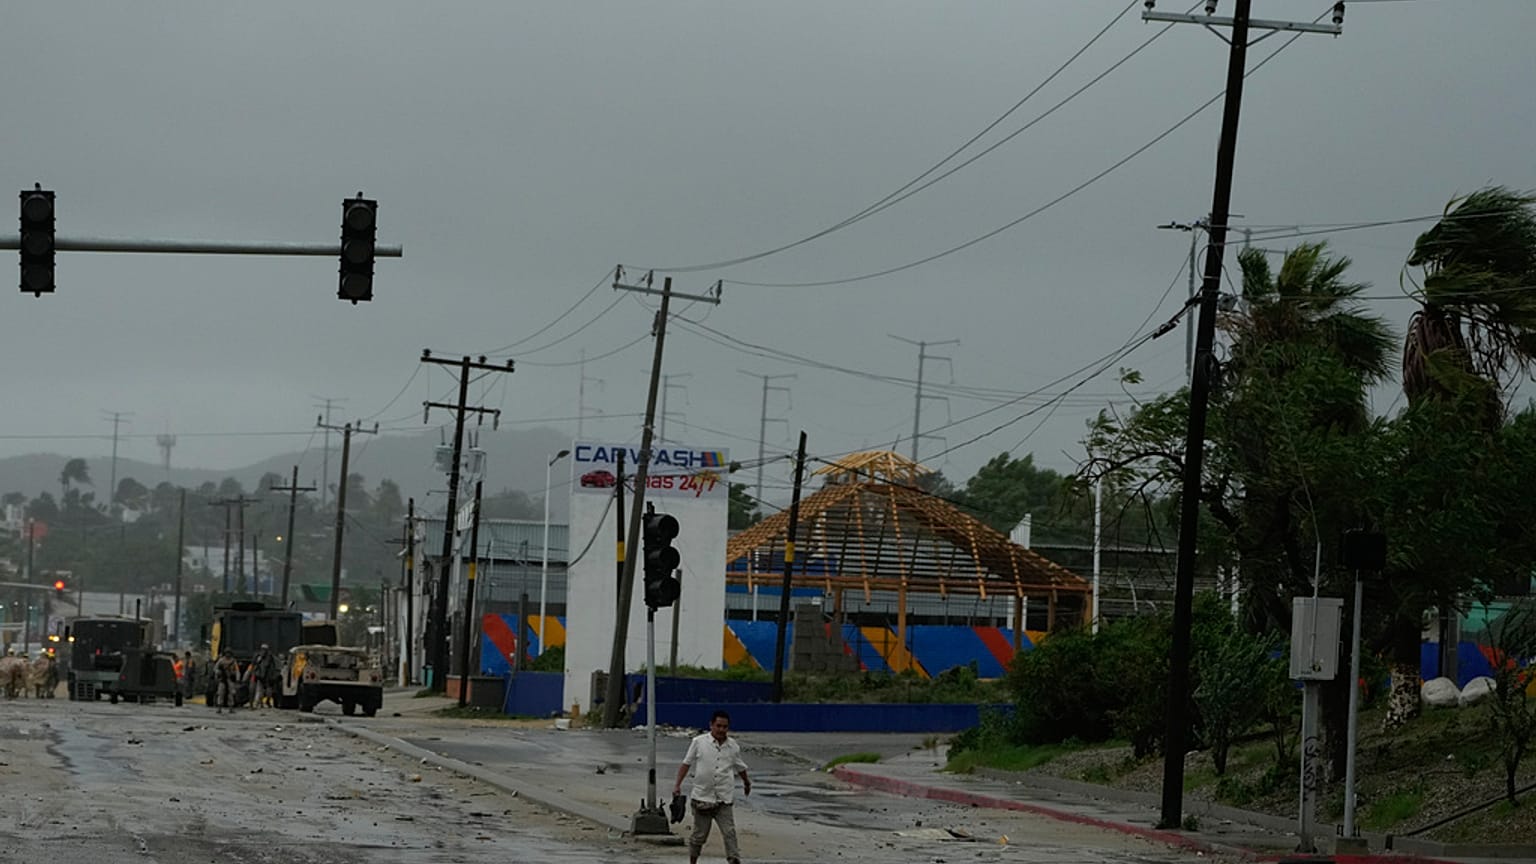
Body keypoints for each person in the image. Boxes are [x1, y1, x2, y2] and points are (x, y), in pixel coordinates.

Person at [673, 709, 750, 864]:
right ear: (711, 725)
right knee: (699, 836)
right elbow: (686, 764)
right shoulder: (698, 742)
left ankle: (734, 859)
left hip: (724, 798)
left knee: (729, 833)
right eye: (718, 726)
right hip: (702, 798)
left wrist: (746, 782)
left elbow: (740, 766)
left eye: (725, 727)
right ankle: (693, 861)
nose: (721, 730)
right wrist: (677, 785)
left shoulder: (733, 746)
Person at [249, 644, 278, 709]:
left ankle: (261, 703)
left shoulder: (268, 657)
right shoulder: (260, 656)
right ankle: (255, 704)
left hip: (264, 675)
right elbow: (253, 665)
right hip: (258, 675)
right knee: (255, 689)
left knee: (264, 689)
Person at [213, 649, 239, 714]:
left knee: (231, 694)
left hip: (230, 679)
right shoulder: (221, 660)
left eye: (229, 653)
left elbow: (237, 670)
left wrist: (237, 678)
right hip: (223, 679)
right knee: (220, 693)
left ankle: (231, 708)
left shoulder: (233, 661)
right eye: (227, 653)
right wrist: (218, 673)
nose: (228, 654)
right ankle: (219, 708)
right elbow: (215, 668)